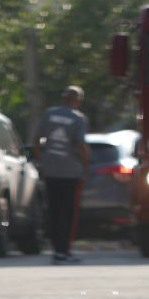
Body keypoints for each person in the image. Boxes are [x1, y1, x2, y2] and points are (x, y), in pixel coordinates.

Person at [33, 85, 90, 264]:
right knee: (68, 213)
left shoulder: (49, 114)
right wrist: (85, 168)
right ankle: (63, 251)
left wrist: (41, 161)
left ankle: (56, 250)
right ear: (78, 100)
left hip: (51, 169)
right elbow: (81, 146)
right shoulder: (78, 118)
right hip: (70, 171)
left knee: (53, 210)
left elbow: (36, 140)